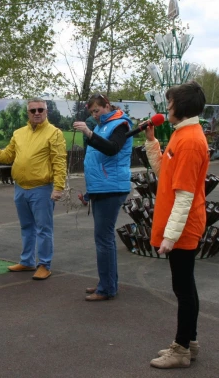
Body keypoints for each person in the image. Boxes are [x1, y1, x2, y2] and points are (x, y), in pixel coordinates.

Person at [144, 81, 209, 369]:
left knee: (183, 289)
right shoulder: (181, 135)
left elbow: (184, 196)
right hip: (178, 225)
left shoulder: (191, 141)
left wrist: (170, 236)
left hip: (183, 226)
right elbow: (165, 173)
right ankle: (189, 343)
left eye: (169, 104)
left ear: (179, 107)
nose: (166, 108)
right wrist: (151, 142)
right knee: (185, 287)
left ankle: (181, 349)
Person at [0, 98, 67, 280]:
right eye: (33, 110)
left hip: (42, 188)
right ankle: (26, 261)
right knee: (26, 226)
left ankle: (44, 264)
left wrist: (58, 187)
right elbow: (8, 155)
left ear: (46, 111)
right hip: (20, 188)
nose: (37, 113)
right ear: (28, 113)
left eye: (40, 109)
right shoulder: (19, 133)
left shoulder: (54, 133)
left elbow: (59, 161)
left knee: (43, 229)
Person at [73, 94, 133, 301]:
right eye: (91, 112)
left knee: (104, 239)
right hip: (101, 188)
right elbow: (97, 163)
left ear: (107, 106)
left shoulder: (120, 125)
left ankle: (107, 288)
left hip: (112, 188)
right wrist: (89, 193)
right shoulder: (102, 126)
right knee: (104, 239)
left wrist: (89, 133)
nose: (94, 115)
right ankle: (107, 283)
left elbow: (112, 150)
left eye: (97, 111)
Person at [78, 113, 98, 207]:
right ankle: (87, 197)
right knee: (95, 176)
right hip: (94, 152)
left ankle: (86, 197)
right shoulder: (90, 121)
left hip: (100, 152)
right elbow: (87, 139)